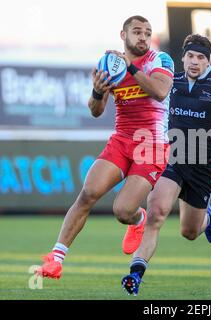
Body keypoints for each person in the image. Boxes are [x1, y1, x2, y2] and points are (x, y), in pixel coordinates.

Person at [36, 15, 174, 279]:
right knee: (88, 193)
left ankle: (138, 220)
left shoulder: (159, 60)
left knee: (122, 211)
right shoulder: (108, 65)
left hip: (152, 143)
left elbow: (160, 91)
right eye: (137, 32)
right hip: (122, 139)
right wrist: (98, 92)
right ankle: (56, 257)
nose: (143, 37)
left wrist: (130, 68)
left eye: (147, 32)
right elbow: (96, 111)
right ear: (123, 36)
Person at [121, 34, 211, 295]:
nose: (194, 62)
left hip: (201, 164)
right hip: (171, 158)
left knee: (189, 232)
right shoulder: (169, 82)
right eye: (191, 56)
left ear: (208, 62)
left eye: (201, 58)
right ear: (182, 57)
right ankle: (135, 275)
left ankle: (207, 218)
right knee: (156, 211)